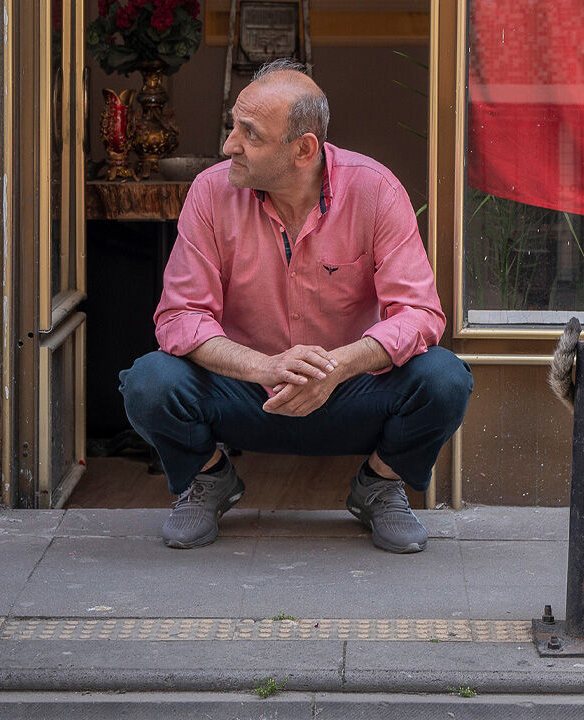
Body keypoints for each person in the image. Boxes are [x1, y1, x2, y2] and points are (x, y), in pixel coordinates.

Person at [118, 59, 472, 554]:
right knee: (148, 381)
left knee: (445, 378)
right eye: (233, 127)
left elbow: (421, 314)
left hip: (349, 393)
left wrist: (339, 364)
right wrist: (265, 365)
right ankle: (209, 478)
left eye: (250, 134)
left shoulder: (374, 189)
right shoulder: (210, 192)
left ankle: (380, 484)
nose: (228, 146)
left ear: (304, 149)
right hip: (247, 392)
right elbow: (179, 317)